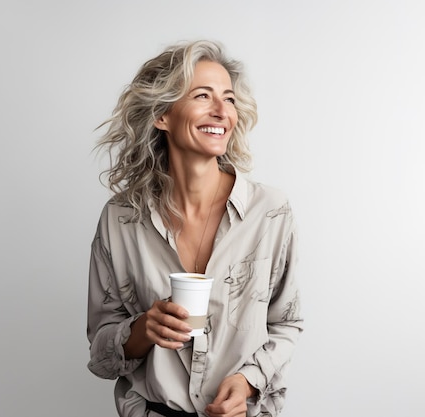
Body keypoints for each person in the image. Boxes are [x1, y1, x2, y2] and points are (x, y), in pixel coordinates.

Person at [87, 40, 303, 417]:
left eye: (230, 99)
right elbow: (101, 356)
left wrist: (248, 381)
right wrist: (142, 330)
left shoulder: (269, 211)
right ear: (162, 115)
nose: (222, 112)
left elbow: (286, 321)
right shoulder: (120, 218)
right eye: (203, 96)